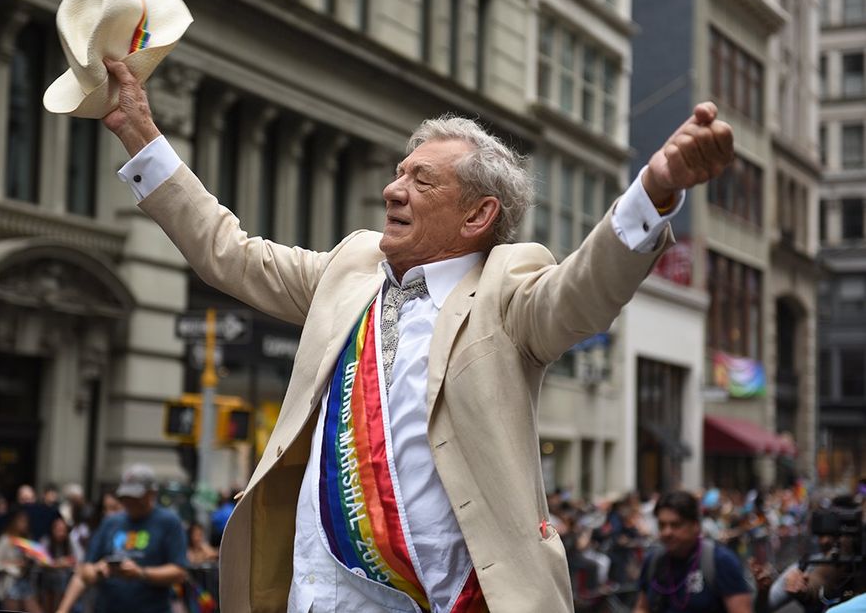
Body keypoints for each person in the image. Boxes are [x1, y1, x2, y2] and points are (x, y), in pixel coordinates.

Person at [88, 32, 734, 609]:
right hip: (317, 591)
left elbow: (583, 290)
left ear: (478, 216)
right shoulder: (349, 267)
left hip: (445, 595)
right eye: (398, 173)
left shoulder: (508, 286)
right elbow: (228, 253)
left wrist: (651, 190)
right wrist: (142, 138)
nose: (393, 190)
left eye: (421, 181)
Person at [80, 464, 188, 613]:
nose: (129, 502)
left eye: (135, 497)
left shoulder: (169, 522)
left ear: (152, 494)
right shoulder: (110, 522)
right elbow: (85, 570)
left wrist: (141, 573)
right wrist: (98, 570)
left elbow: (179, 572)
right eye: (125, 497)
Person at [634, 491, 751, 613]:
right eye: (662, 525)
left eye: (676, 525)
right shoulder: (653, 561)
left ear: (696, 526)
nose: (666, 532)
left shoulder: (720, 561)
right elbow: (642, 607)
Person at [0, 507, 42, 613]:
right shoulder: (5, 539)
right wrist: (12, 565)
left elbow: (36, 560)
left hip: (25, 582)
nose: (25, 524)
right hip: (10, 583)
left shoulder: (27, 540)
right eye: (22, 521)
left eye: (26, 521)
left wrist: (30, 560)